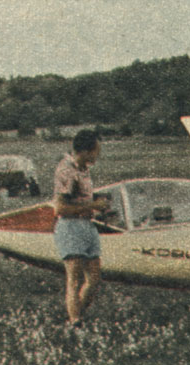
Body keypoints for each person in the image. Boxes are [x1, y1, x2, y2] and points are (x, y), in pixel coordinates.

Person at [52, 129, 109, 326]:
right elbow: (60, 208)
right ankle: (75, 321)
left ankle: (76, 317)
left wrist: (97, 206)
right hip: (71, 228)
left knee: (94, 279)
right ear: (85, 151)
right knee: (74, 280)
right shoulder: (67, 170)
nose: (97, 155)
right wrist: (93, 205)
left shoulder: (84, 169)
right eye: (95, 151)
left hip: (87, 225)